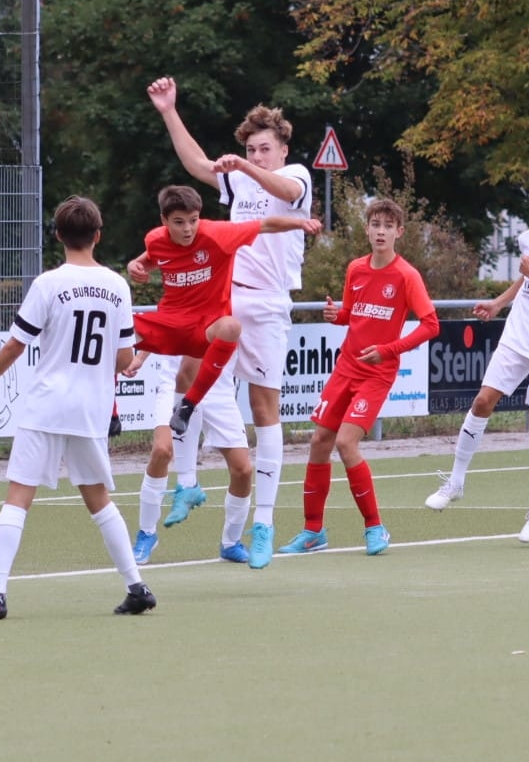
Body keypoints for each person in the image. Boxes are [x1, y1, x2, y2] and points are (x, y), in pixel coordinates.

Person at [143, 76, 313, 570]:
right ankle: (187, 483)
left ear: (282, 149)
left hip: (269, 305)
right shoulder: (239, 177)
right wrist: (169, 111)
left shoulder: (294, 175)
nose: (257, 155)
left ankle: (264, 522)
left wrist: (245, 166)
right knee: (188, 376)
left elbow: (284, 190)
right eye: (251, 149)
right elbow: (196, 164)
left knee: (263, 407)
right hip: (227, 299)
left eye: (265, 148)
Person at [0, 195, 155, 620]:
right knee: (100, 500)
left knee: (18, 497)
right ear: (98, 235)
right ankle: (136, 585)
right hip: (91, 411)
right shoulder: (117, 285)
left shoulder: (48, 284)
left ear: (59, 236)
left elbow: (15, 345)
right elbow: (124, 359)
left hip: (46, 406)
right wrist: (124, 360)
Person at [124, 184, 321, 566]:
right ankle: (148, 533)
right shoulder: (157, 241)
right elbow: (151, 263)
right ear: (164, 222)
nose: (188, 229)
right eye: (179, 222)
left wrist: (301, 222)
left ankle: (230, 541)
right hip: (172, 360)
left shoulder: (218, 235)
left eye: (193, 221)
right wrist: (138, 266)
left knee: (243, 469)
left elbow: (266, 224)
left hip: (211, 374)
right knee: (161, 449)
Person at [425, 179, 529, 544]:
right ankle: (455, 482)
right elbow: (524, 281)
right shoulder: (528, 239)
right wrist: (499, 303)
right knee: (483, 400)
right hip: (517, 335)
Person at [278, 198, 439, 557]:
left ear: (399, 232)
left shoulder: (406, 275)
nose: (381, 232)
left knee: (346, 443)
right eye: (375, 225)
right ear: (366, 230)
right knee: (320, 440)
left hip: (377, 374)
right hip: (346, 368)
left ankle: (375, 527)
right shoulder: (355, 268)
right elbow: (352, 314)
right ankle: (313, 531)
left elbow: (431, 325)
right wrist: (336, 315)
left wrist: (388, 350)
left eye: (388, 226)